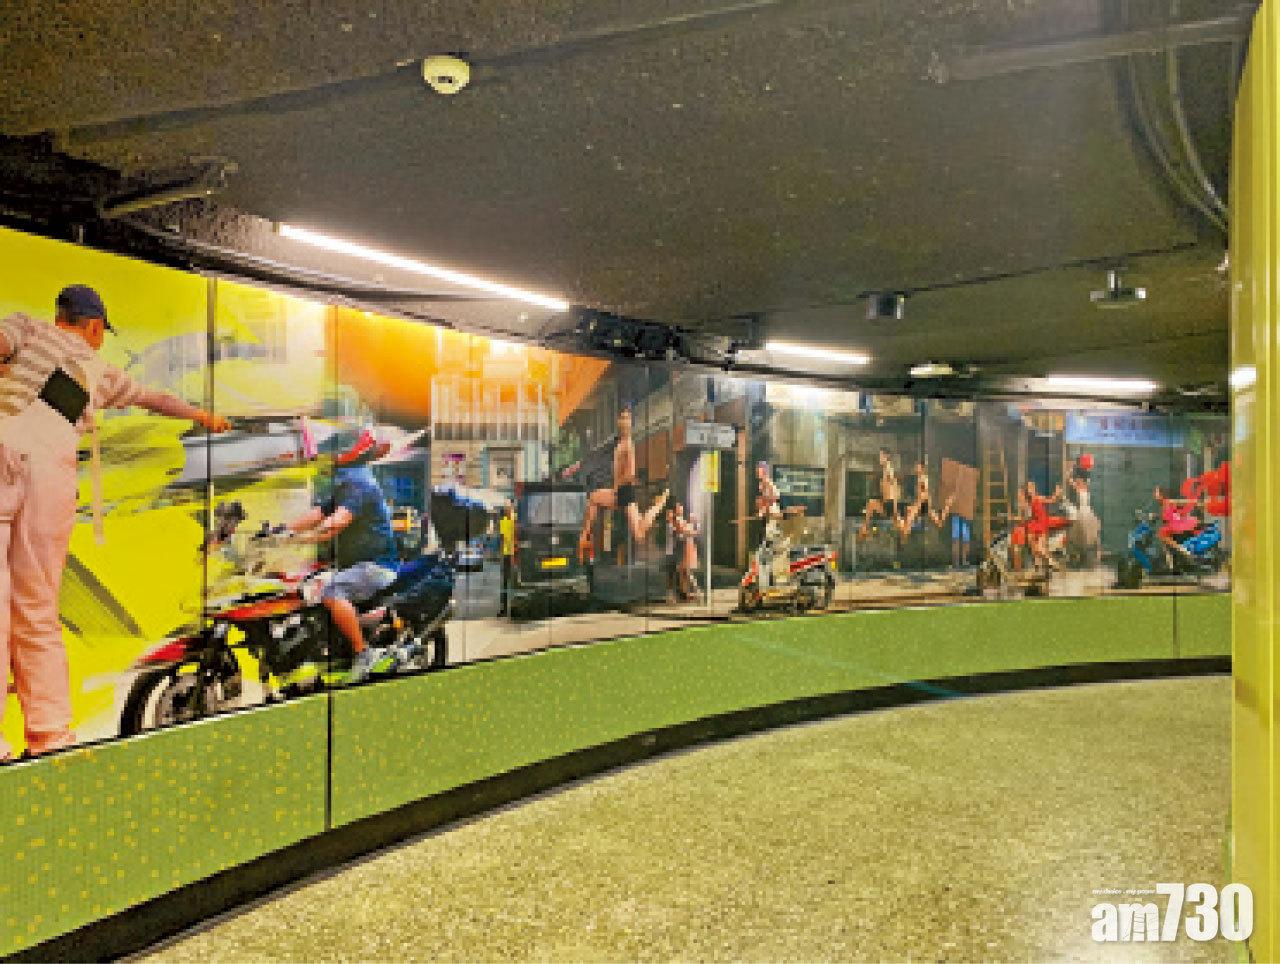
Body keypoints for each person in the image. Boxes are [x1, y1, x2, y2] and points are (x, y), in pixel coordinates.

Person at [0, 285, 230, 762]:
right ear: (93, 326)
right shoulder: (98, 369)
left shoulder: (26, 328)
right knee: (37, 608)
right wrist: (202, 415)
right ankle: (50, 736)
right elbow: (154, 399)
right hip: (49, 475)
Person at [289, 428, 398, 685]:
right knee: (307, 586)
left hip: (376, 565)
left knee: (332, 592)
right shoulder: (345, 480)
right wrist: (281, 531)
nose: (329, 454)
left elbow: (335, 523)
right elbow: (319, 513)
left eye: (336, 448)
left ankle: (363, 653)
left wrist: (297, 539)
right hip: (357, 565)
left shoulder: (358, 481)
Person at [579, 408, 669, 557]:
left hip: (624, 490)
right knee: (594, 498)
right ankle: (586, 533)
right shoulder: (619, 443)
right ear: (618, 421)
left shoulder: (628, 444)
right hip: (620, 490)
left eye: (627, 419)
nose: (624, 422)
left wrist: (619, 485)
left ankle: (659, 505)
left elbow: (630, 473)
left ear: (630, 423)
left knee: (639, 534)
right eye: (622, 418)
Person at [859, 448, 901, 539]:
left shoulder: (889, 470)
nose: (880, 458)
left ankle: (866, 529)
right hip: (885, 503)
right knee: (870, 506)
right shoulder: (885, 470)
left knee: (870, 504)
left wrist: (895, 510)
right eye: (880, 456)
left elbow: (894, 488)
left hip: (889, 504)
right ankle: (868, 529)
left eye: (881, 456)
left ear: (887, 456)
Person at [497, 502, 515, 616]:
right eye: (506, 509)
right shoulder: (505, 521)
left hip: (514, 554)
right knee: (505, 582)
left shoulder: (514, 521)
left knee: (511, 582)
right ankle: (504, 608)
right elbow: (503, 539)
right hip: (508, 555)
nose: (507, 511)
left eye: (508, 508)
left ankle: (511, 608)